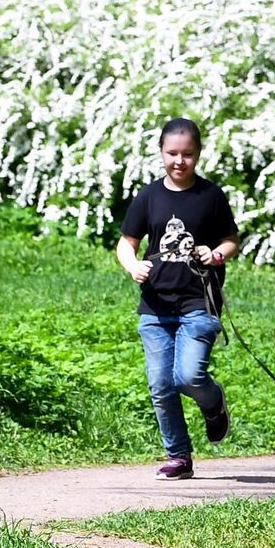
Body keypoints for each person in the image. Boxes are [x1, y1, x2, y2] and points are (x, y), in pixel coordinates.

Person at [116, 117, 241, 479]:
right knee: (160, 384)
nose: (179, 161)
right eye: (172, 153)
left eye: (187, 154)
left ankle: (213, 402)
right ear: (161, 153)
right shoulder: (149, 196)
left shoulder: (211, 196)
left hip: (198, 303)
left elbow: (230, 240)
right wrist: (132, 266)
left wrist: (216, 254)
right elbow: (127, 243)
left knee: (187, 376)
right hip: (155, 306)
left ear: (198, 154)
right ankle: (179, 457)